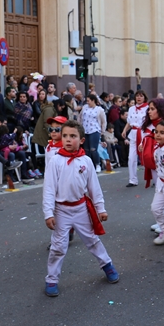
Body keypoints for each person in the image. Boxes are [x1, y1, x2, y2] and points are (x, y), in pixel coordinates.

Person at [42, 120, 119, 297]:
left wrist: (101, 208)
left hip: (81, 209)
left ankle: (107, 265)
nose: (68, 139)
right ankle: (52, 279)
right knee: (58, 247)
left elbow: (94, 187)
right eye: (65, 136)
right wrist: (48, 213)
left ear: (82, 140)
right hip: (61, 211)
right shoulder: (55, 161)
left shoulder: (86, 161)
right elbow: (48, 189)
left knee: (92, 240)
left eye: (73, 136)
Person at [140, 98, 164, 188]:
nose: (149, 112)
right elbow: (144, 139)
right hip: (153, 162)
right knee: (159, 188)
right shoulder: (148, 125)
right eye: (149, 109)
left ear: (161, 110)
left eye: (152, 109)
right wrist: (142, 145)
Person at [122, 90, 148, 187]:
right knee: (131, 157)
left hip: (144, 134)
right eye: (137, 96)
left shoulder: (148, 108)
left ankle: (154, 178)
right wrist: (125, 130)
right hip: (133, 134)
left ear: (144, 97)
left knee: (148, 157)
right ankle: (132, 179)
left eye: (141, 96)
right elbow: (129, 122)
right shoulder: (131, 109)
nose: (139, 98)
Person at [79, 94, 106, 172]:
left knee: (93, 149)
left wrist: (102, 131)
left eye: (89, 101)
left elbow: (103, 121)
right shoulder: (84, 108)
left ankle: (98, 164)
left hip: (94, 130)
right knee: (86, 149)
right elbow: (80, 117)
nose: (87, 102)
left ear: (93, 100)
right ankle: (89, 165)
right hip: (85, 130)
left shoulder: (99, 109)